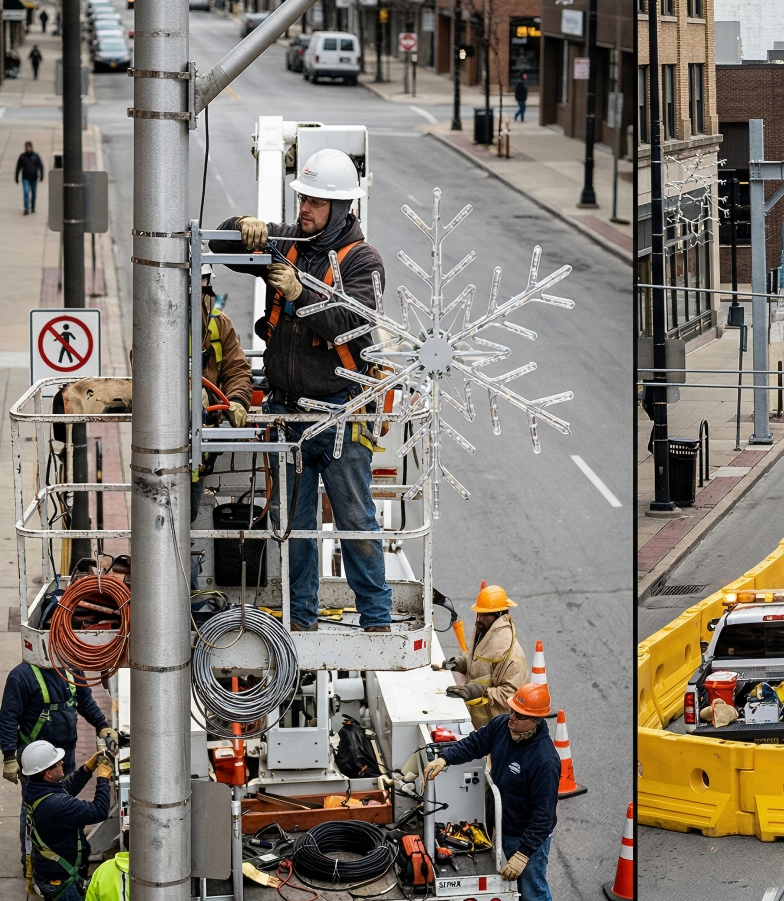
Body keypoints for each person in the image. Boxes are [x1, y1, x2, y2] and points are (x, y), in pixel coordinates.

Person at [210, 148, 392, 632]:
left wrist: (298, 293)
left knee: (355, 522)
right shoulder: (290, 240)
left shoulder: (362, 260)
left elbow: (353, 323)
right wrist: (242, 223)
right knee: (294, 529)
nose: (303, 209)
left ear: (340, 208)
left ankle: (376, 618)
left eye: (314, 202)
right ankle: (302, 618)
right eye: (302, 199)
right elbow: (227, 242)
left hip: (339, 417)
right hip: (287, 415)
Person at [424, 683, 560, 900]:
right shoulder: (502, 726)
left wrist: (523, 854)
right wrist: (445, 758)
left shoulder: (545, 760)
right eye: (512, 710)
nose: (512, 717)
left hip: (526, 835)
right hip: (501, 824)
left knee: (532, 890)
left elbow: (544, 816)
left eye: (520, 714)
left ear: (535, 721)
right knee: (509, 887)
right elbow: (474, 744)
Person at [189, 265, 253, 524]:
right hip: (164, 445)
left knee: (189, 518)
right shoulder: (155, 325)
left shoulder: (218, 326)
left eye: (203, 280)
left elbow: (237, 370)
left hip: (200, 446)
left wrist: (237, 401)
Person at [21, 740, 114, 901]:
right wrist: (103, 779)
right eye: (58, 763)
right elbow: (99, 811)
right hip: (64, 881)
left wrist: (87, 769)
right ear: (48, 773)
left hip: (50, 872)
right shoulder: (56, 805)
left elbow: (64, 787)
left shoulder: (35, 788)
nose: (62, 762)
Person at [0, 662, 114, 781]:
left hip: (66, 753)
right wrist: (9, 757)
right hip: (36, 760)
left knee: (66, 794)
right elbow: (9, 718)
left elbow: (85, 701)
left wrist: (102, 725)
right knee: (41, 798)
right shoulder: (21, 676)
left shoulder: (71, 669)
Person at [443, 583, 530, 728]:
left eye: (484, 615)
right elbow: (476, 660)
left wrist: (477, 691)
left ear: (499, 615)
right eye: (478, 614)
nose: (479, 619)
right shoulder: (484, 633)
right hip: (477, 721)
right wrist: (460, 663)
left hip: (495, 726)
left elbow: (511, 693)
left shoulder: (511, 654)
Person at [15, 140, 44, 216]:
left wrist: (41, 175)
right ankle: (26, 208)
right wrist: (16, 176)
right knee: (26, 192)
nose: (27, 148)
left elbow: (40, 166)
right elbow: (18, 167)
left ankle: (33, 207)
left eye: (29, 147)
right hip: (25, 178)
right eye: (26, 147)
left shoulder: (35, 156)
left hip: (34, 178)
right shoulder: (22, 156)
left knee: (33, 193)